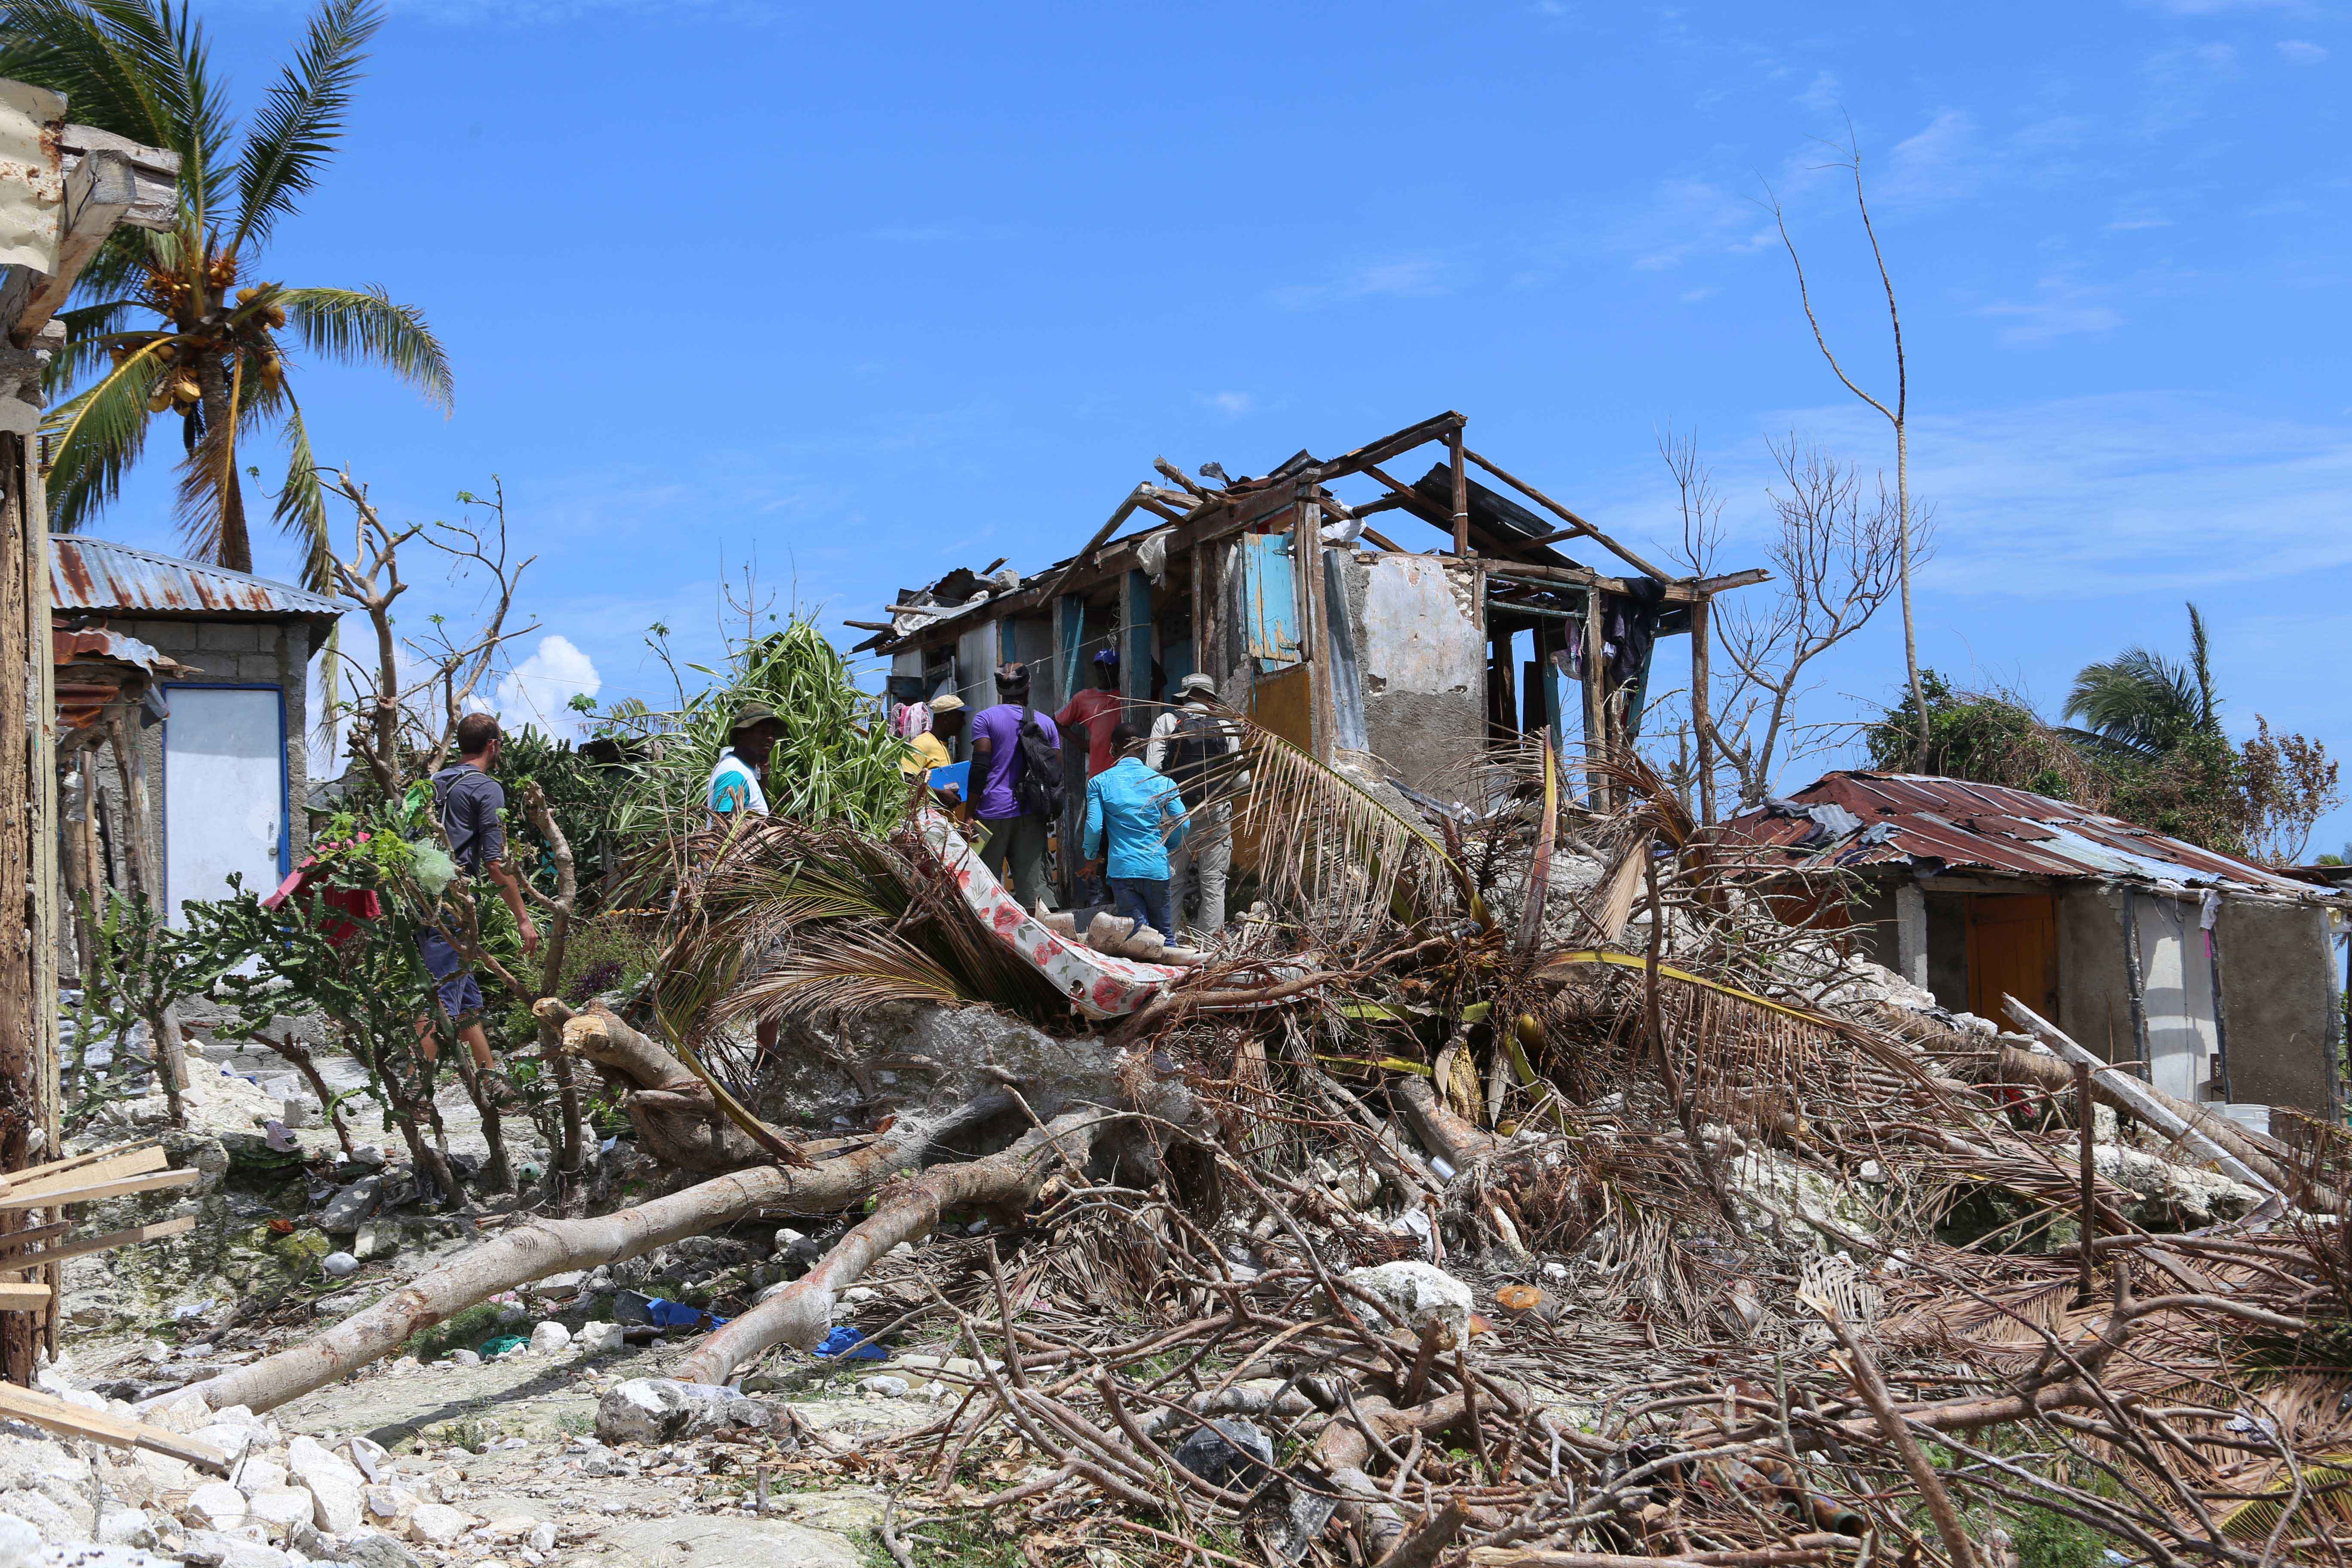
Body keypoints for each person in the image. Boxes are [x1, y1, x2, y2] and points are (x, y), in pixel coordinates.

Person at [416, 713, 538, 1081]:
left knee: (465, 999)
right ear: (493, 744)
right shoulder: (486, 788)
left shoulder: (434, 783)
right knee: (438, 998)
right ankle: (414, 1092)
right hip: (452, 902)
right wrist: (522, 917)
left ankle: (493, 1085)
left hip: (420, 896)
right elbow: (495, 863)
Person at [1146, 672, 1242, 937]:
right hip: (1216, 814)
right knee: (1213, 884)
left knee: (1173, 881)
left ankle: (1169, 941)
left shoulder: (1167, 721)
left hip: (1176, 814)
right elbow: (1242, 781)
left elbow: (1153, 768)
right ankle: (1208, 948)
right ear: (1211, 699)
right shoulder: (1226, 725)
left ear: (1186, 697)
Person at [1083, 722, 1190, 939]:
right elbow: (1183, 822)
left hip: (1123, 870)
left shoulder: (1099, 783)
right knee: (1165, 934)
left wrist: (1090, 854)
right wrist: (1167, 846)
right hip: (1156, 868)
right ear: (1143, 747)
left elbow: (1094, 827)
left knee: (1137, 936)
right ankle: (1174, 973)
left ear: (1113, 748)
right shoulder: (1164, 782)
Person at [968, 662, 1062, 910]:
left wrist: (969, 814)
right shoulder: (1046, 723)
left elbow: (980, 767)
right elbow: (1056, 771)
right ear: (1028, 689)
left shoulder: (985, 719)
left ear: (1000, 689)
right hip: (1032, 813)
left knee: (982, 889)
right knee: (1035, 894)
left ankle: (988, 944)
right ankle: (1040, 943)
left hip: (991, 814)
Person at [1054, 648, 1125, 783]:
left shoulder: (1127, 695)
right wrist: (1080, 743)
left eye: (1108, 668)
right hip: (1098, 774)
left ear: (1118, 669)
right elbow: (1057, 721)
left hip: (1123, 774)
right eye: (1099, 668)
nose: (1103, 673)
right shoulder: (1084, 698)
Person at [708, 702, 782, 827]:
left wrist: (764, 774)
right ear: (741, 733)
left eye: (773, 734)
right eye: (763, 732)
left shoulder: (744, 770)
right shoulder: (734, 773)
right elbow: (722, 831)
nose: (770, 738)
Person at [899, 692, 966, 804]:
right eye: (960, 718)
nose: (963, 723)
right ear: (946, 718)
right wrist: (939, 794)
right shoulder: (923, 743)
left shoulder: (941, 744)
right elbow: (904, 779)